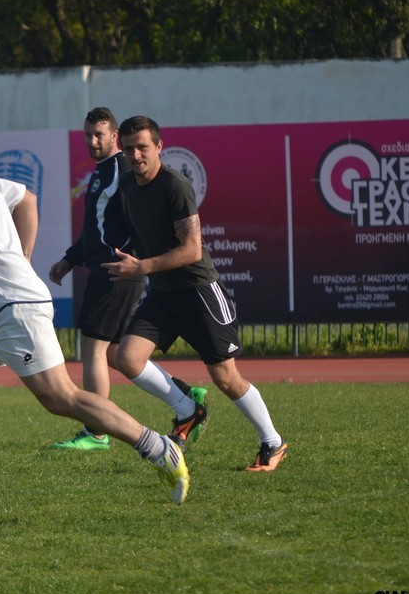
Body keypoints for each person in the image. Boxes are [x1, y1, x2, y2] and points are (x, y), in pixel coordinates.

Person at [0, 111, 189, 519]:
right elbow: (27, 199)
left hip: (12, 311)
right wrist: (23, 258)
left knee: (61, 398)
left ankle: (159, 447)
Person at [107, 116, 288, 472]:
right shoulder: (126, 185)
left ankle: (273, 442)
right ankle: (188, 409)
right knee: (126, 358)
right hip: (163, 294)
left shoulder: (175, 185)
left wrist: (141, 267)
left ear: (159, 147)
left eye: (142, 147)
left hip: (198, 292)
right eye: (128, 149)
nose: (135, 155)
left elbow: (191, 250)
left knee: (225, 377)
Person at [49, 107, 208, 452]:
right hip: (107, 269)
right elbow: (96, 228)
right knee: (114, 354)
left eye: (99, 135)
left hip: (116, 271)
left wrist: (137, 261)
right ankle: (184, 394)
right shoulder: (102, 172)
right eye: (88, 134)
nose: (92, 141)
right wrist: (70, 259)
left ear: (115, 137)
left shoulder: (121, 171)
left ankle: (96, 431)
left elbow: (140, 222)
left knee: (92, 347)